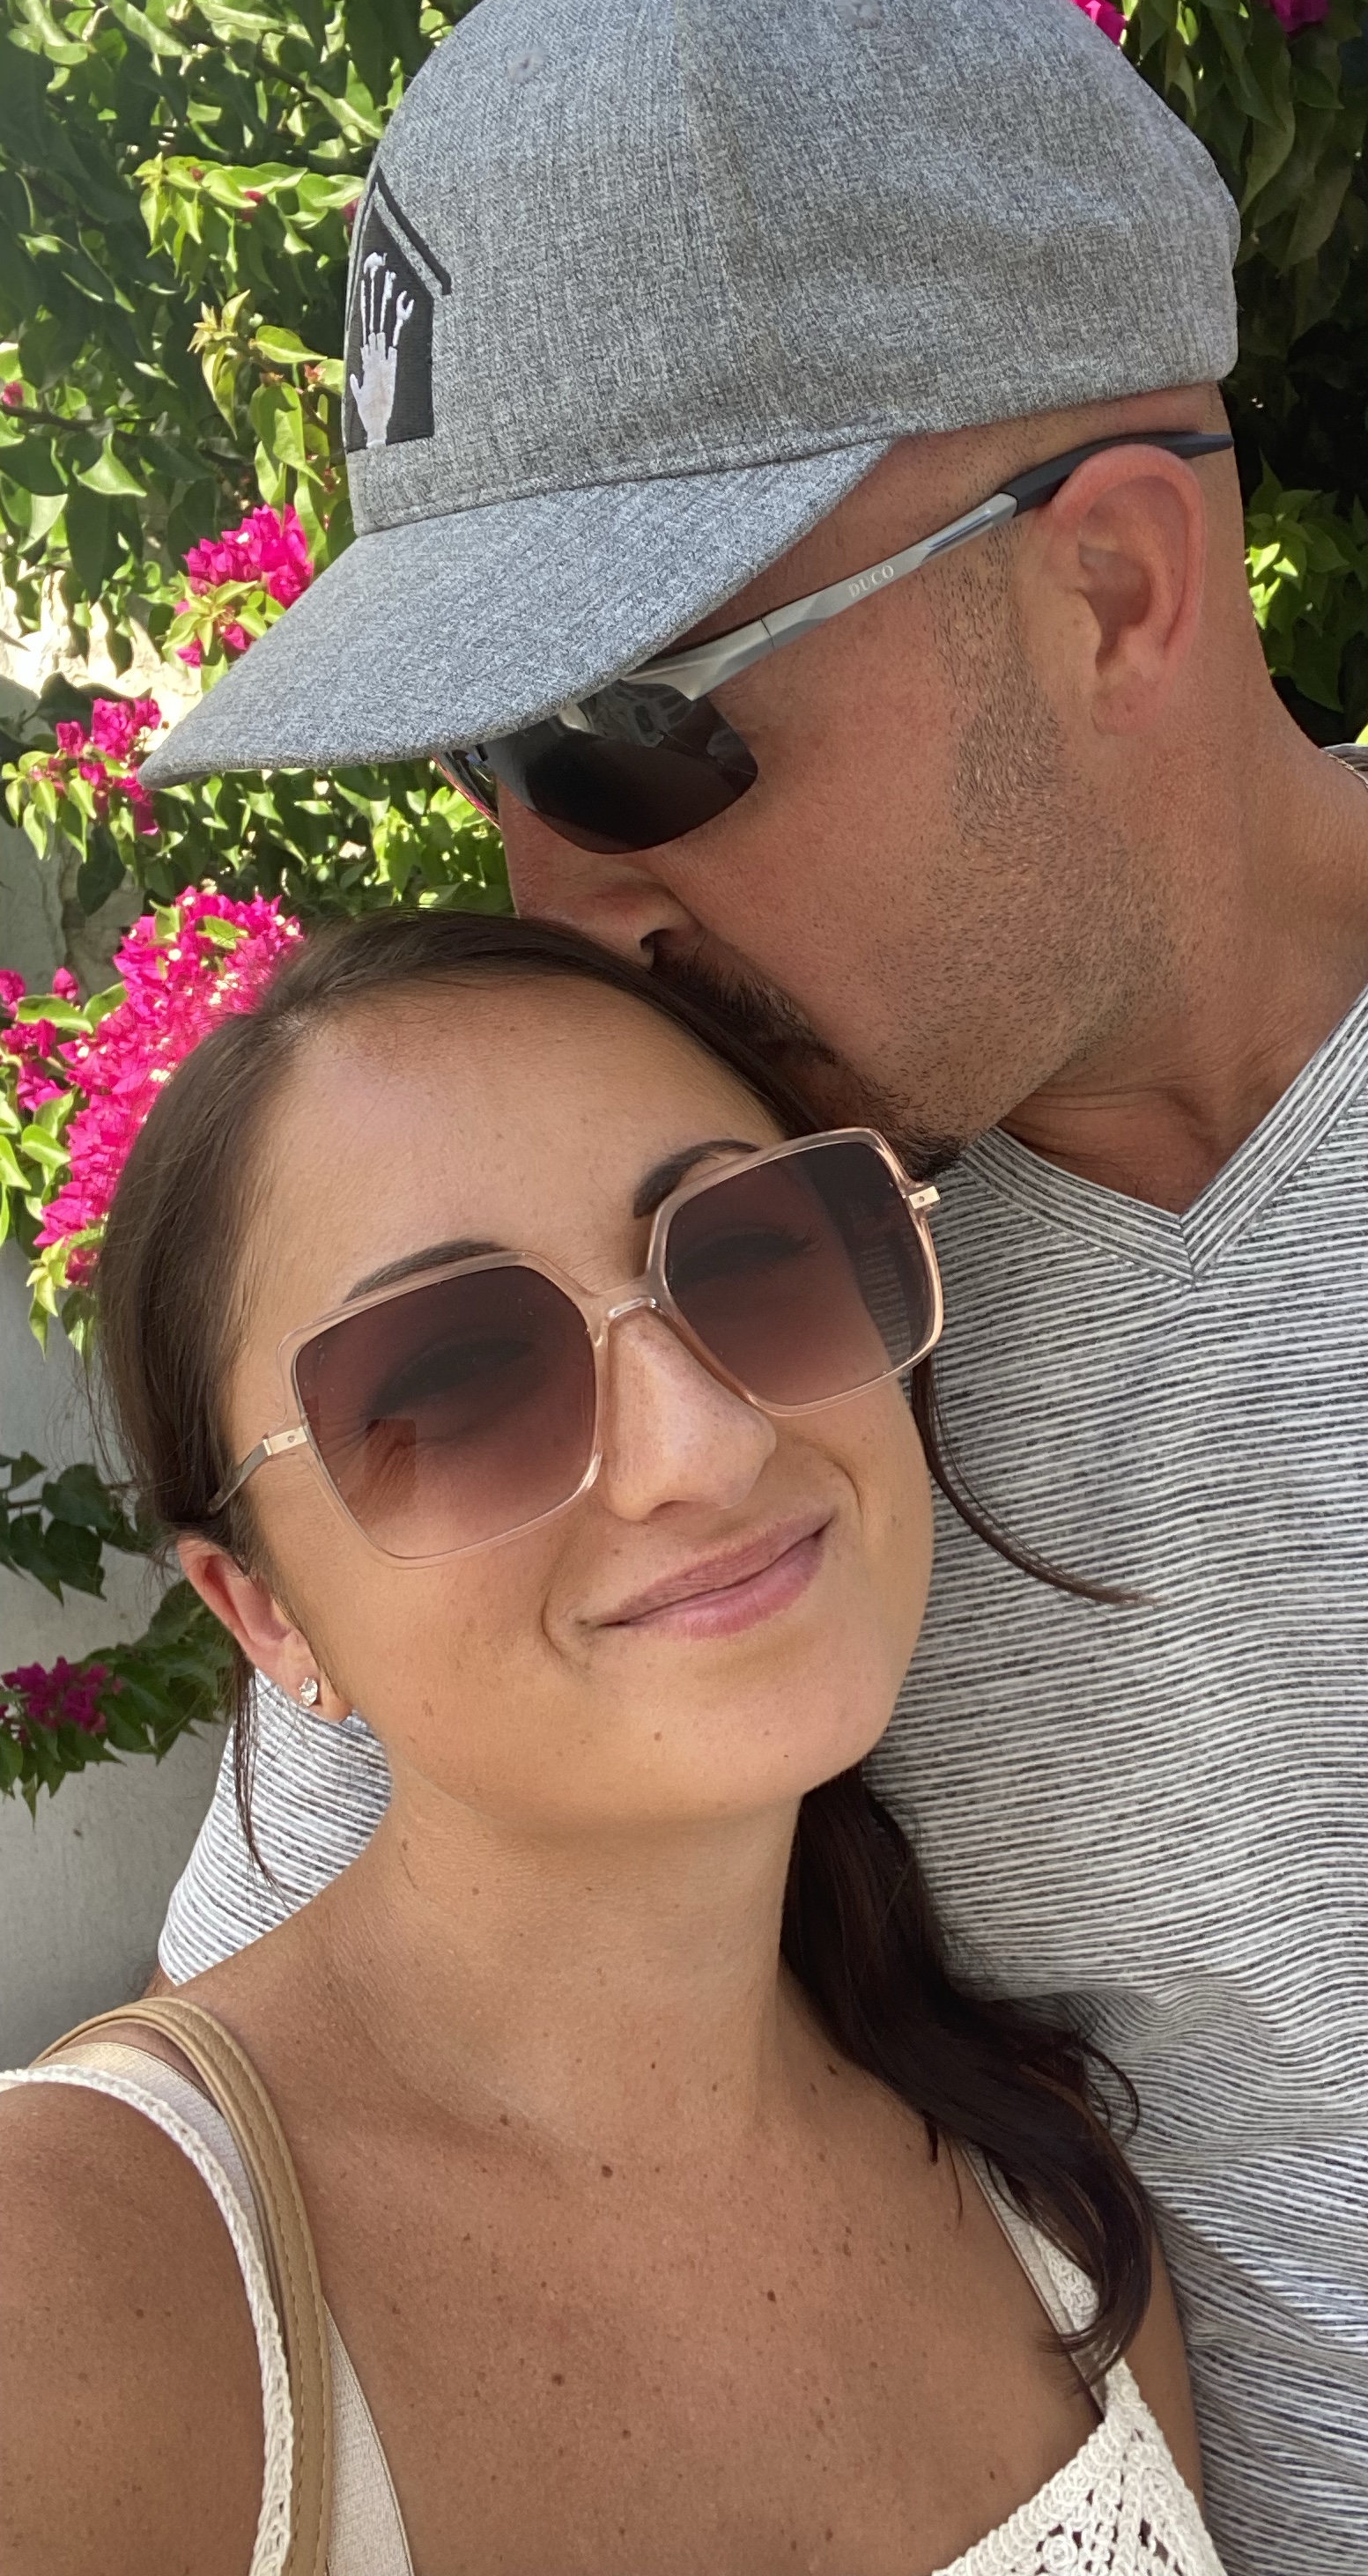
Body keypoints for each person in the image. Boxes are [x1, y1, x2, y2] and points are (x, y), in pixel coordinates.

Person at [137, 0, 1368, 2572]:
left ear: (1113, 582)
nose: (562, 899)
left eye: (627, 738)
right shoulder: (671, 1354)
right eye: (486, 765)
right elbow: (254, 2165)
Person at [0, 913, 1222, 2576]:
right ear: (266, 1613)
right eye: (458, 1379)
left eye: (755, 1255)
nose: (701, 1446)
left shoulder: (1050, 2194)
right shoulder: (82, 2287)